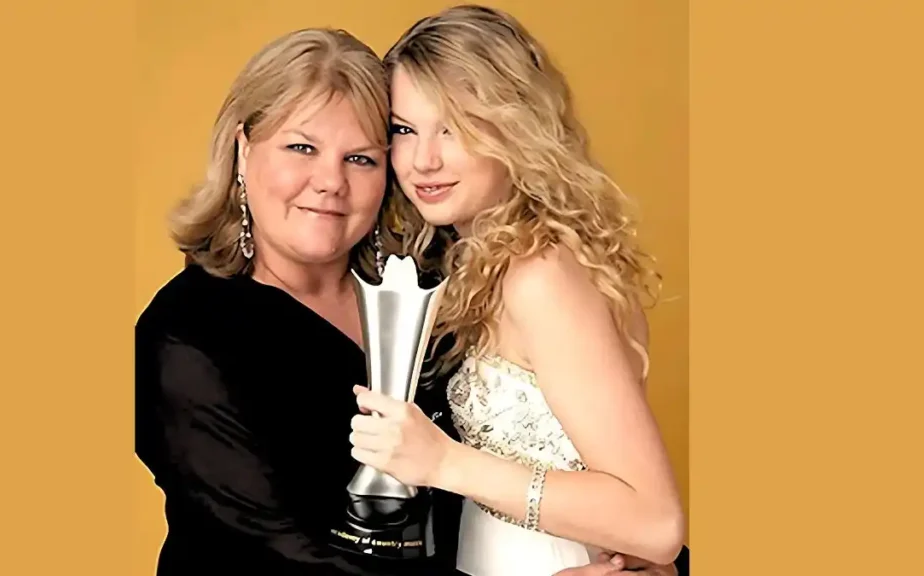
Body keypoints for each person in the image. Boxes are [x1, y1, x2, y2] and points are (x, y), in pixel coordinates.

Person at [134, 24, 671, 576]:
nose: (329, 182)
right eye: (302, 147)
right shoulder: (185, 337)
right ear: (244, 150)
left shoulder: (432, 281)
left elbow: (591, 476)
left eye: (361, 158)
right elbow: (295, 558)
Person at [347, 5, 687, 576]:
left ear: (512, 125)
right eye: (404, 130)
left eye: (454, 126)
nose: (423, 159)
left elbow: (655, 524)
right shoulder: (480, 259)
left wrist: (444, 462)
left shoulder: (539, 274)